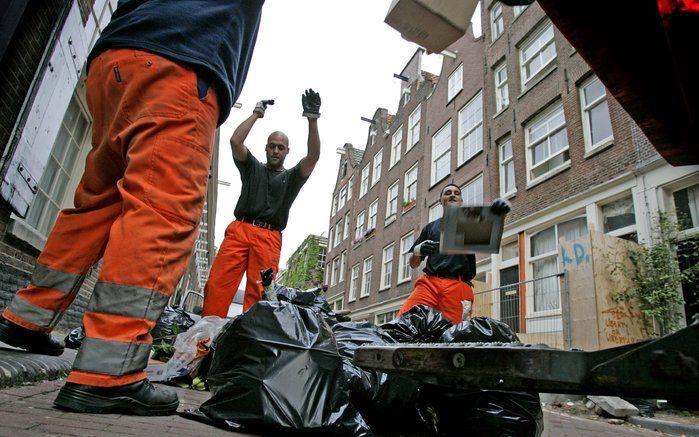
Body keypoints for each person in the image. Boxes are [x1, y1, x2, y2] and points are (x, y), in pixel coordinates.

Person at [0, 0, 265, 415]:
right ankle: (108, 374)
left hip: (115, 58)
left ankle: (26, 318)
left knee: (97, 204)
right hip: (179, 65)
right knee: (160, 213)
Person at [200, 90, 321, 317]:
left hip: (268, 238)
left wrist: (312, 119)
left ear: (287, 151)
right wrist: (256, 113)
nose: (276, 150)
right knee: (217, 285)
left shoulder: (292, 178)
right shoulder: (251, 167)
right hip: (240, 230)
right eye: (272, 145)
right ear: (266, 148)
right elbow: (235, 140)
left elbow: (313, 156)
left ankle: (249, 344)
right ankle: (204, 340)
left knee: (259, 292)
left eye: (280, 147)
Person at [398, 184, 510, 324]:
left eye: (456, 193)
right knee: (403, 322)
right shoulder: (430, 227)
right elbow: (414, 264)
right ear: (440, 201)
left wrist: (500, 214)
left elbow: (491, 234)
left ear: (461, 200)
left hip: (457, 287)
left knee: (452, 334)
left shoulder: (470, 225)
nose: (452, 195)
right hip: (429, 284)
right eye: (448, 193)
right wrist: (417, 250)